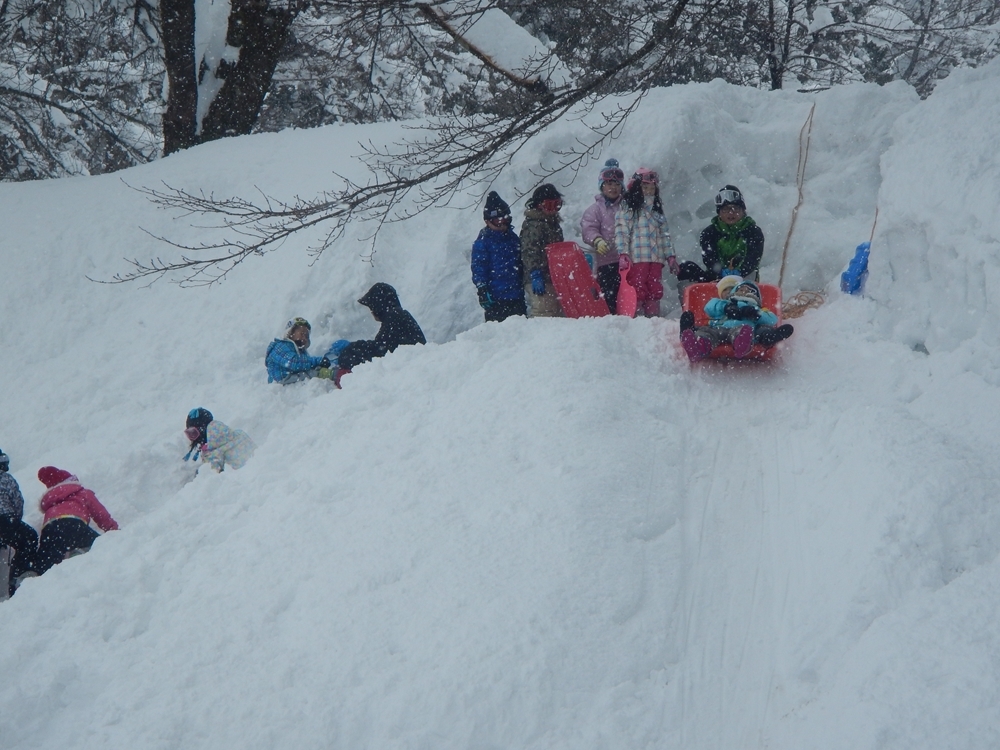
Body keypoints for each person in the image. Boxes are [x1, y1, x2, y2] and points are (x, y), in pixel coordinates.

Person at [613, 168, 679, 317]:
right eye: (645, 187)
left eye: (651, 188)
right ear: (636, 187)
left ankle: (653, 317)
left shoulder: (657, 212)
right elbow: (622, 231)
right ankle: (637, 316)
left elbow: (664, 236)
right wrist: (623, 253)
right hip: (637, 258)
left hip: (656, 259)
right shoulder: (629, 208)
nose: (649, 191)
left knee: (655, 287)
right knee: (637, 286)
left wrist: (670, 256)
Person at [679, 279, 793, 362]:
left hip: (740, 329)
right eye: (741, 289)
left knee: (744, 332)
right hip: (718, 327)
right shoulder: (726, 303)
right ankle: (697, 347)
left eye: (750, 291)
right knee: (706, 332)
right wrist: (725, 308)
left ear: (757, 298)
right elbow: (709, 307)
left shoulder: (759, 309)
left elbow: (772, 319)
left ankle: (742, 345)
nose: (745, 291)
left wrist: (757, 314)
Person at [35, 466, 118, 576]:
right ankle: (78, 555)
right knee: (100, 546)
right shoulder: (83, 493)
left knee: (48, 560)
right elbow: (100, 514)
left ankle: (34, 575)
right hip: (73, 524)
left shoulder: (51, 502)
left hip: (50, 529)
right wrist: (113, 530)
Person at [678, 185, 765, 284]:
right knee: (686, 268)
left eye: (736, 208)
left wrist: (739, 272)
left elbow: (753, 258)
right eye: (725, 209)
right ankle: (691, 298)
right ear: (719, 212)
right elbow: (709, 258)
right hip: (716, 280)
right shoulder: (709, 233)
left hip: (745, 281)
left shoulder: (753, 232)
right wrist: (720, 273)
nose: (731, 213)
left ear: (743, 211)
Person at [337, 283, 426, 372]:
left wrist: (351, 350)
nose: (371, 312)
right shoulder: (398, 316)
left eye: (372, 307)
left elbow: (379, 351)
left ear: (379, 306)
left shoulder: (394, 318)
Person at [471, 191, 526, 323]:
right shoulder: (483, 242)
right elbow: (479, 267)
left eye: (505, 219)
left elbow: (520, 261)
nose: (502, 224)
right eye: (498, 221)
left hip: (516, 295)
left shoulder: (512, 238)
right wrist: (482, 288)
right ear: (487, 221)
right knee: (499, 331)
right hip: (496, 298)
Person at [580, 158, 625, 312]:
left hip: (627, 260)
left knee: (626, 293)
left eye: (617, 184)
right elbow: (588, 228)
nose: (613, 188)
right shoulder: (595, 209)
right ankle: (611, 317)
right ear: (602, 186)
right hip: (607, 261)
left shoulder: (626, 207)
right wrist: (597, 240)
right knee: (609, 293)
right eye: (609, 184)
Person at [519, 183, 565, 317]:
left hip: (553, 276)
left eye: (556, 205)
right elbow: (529, 250)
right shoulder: (534, 225)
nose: (553, 210)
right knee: (543, 312)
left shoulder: (553, 224)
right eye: (549, 205)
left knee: (555, 312)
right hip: (538, 279)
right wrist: (535, 272)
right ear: (539, 205)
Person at [265, 317, 349, 385]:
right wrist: (317, 361)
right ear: (290, 333)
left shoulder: (300, 351)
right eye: (301, 333)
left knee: (311, 371)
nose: (304, 337)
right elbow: (293, 362)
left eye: (306, 335)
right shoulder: (279, 346)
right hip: (282, 381)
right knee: (311, 373)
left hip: (292, 377)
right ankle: (335, 375)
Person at [0, 449, 38, 596]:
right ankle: (19, 578)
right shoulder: (6, 479)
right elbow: (18, 503)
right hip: (5, 520)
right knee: (29, 538)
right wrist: (14, 522)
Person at [183, 408, 256, 472]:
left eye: (193, 433)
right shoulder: (239, 435)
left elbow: (211, 480)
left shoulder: (213, 455)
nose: (194, 439)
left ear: (203, 430)